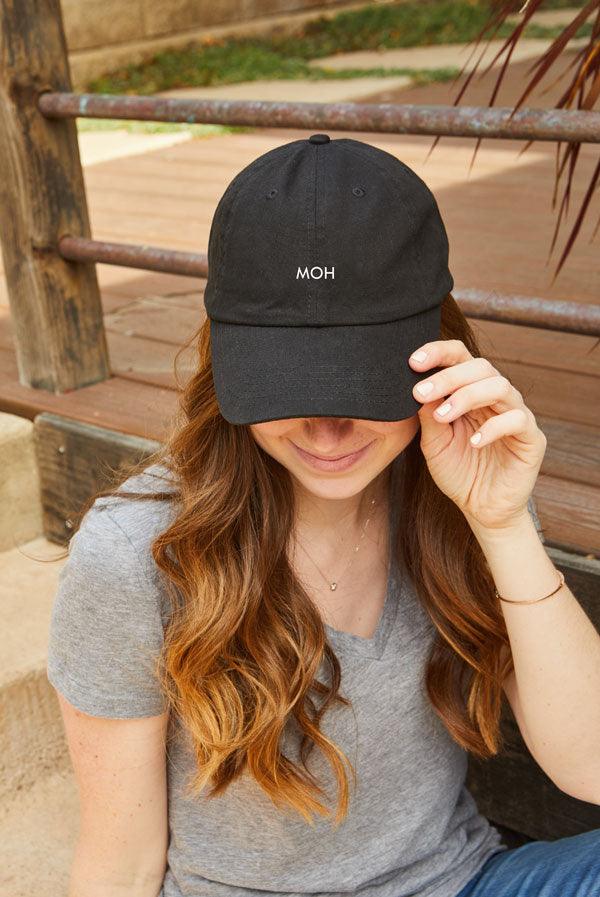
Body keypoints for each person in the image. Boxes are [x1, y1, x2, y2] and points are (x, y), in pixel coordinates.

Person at [46, 134, 600, 897]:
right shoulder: (134, 552)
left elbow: (592, 763)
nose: (329, 433)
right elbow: (120, 861)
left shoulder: (465, 480)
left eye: (362, 385)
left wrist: (502, 525)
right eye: (291, 387)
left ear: (439, 351)